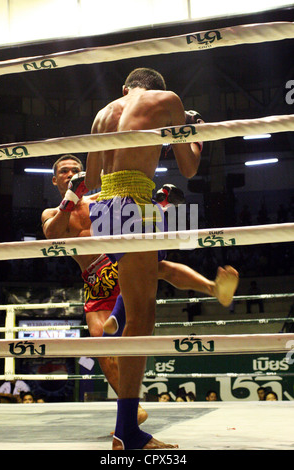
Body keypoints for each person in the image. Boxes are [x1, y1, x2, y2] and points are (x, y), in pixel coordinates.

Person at [85, 68, 238, 450]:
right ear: (161, 90)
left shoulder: (104, 112)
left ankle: (120, 317)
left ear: (126, 89)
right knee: (144, 316)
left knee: (152, 277)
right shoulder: (168, 102)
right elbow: (189, 168)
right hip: (135, 203)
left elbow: (89, 180)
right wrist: (194, 134)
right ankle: (128, 433)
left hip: (104, 210)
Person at [42, 154, 238, 430]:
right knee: (102, 348)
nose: (71, 173)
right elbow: (52, 235)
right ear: (55, 179)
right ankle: (132, 409)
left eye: (76, 170)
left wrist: (158, 203)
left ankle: (214, 287)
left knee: (160, 265)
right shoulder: (52, 213)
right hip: (96, 282)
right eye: (65, 171)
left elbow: (132, 214)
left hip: (118, 262)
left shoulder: (99, 200)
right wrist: (71, 197)